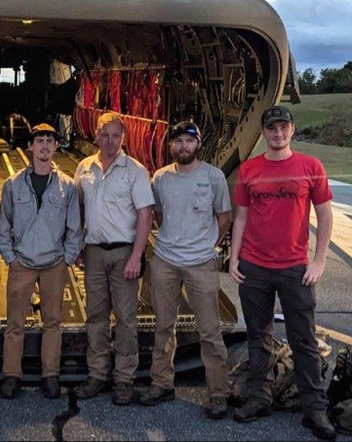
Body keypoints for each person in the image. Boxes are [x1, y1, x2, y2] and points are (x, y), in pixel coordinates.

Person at [228, 105, 337, 441]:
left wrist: (318, 261)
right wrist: (233, 259)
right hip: (255, 266)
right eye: (272, 129)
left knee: (303, 339)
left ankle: (314, 408)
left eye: (283, 128)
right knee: (258, 337)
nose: (278, 134)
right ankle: (258, 397)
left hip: (294, 268)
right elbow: (241, 218)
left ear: (292, 130)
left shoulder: (310, 167)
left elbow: (325, 216)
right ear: (263, 132)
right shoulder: (250, 169)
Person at [139, 121, 233, 419]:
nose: (183, 146)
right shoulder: (161, 178)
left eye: (188, 141)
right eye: (178, 141)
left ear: (198, 144)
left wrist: (207, 246)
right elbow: (157, 213)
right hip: (165, 260)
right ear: (171, 146)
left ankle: (218, 393)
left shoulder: (213, 177)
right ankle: (161, 383)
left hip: (200, 263)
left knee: (209, 330)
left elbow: (225, 217)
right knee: (163, 326)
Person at [0, 123, 83, 400]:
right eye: (39, 141)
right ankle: (11, 375)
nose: (44, 146)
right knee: (15, 323)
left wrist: (66, 259)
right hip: (22, 262)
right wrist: (11, 257)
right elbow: (2, 225)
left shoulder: (67, 186)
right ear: (30, 146)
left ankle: (50, 374)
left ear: (56, 146)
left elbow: (75, 228)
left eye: (50, 141)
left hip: (53, 264)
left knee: (52, 322)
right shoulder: (13, 184)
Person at [72, 111, 154, 405]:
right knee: (95, 317)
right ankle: (97, 374)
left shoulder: (135, 170)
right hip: (93, 252)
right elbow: (78, 207)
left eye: (116, 135)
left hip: (123, 253)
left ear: (124, 137)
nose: (110, 141)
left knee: (125, 319)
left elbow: (145, 214)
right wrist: (79, 243)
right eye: (104, 135)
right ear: (96, 135)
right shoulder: (84, 167)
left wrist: (136, 256)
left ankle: (124, 379)